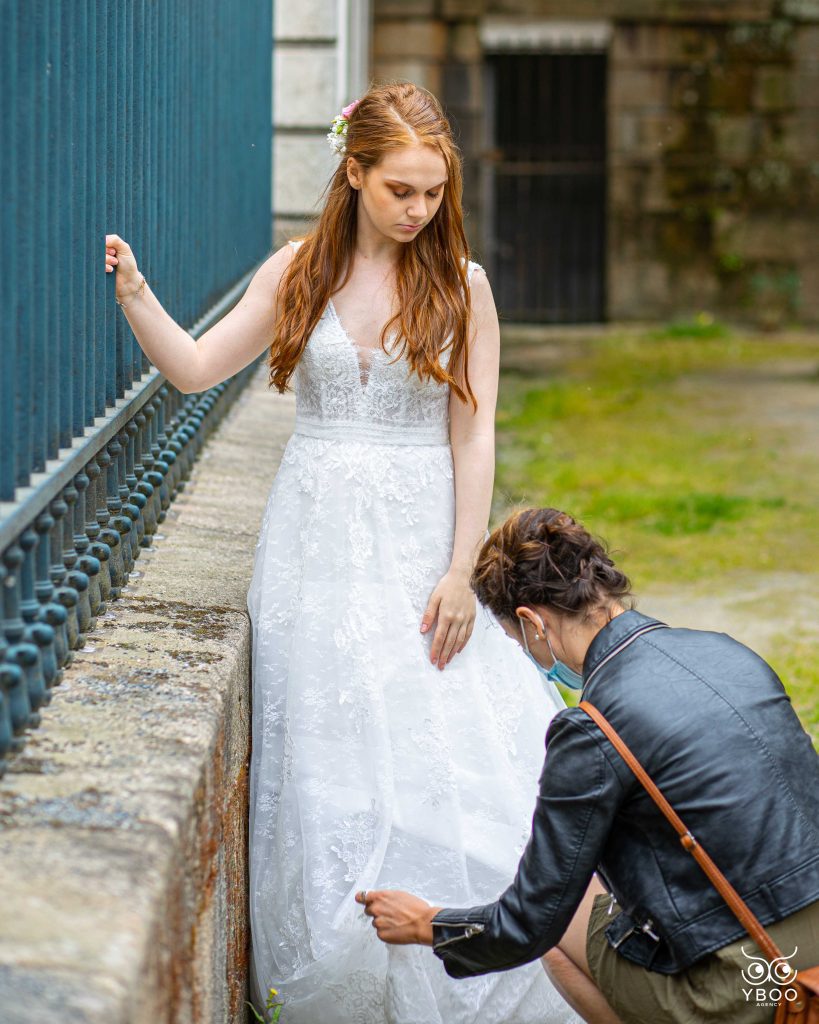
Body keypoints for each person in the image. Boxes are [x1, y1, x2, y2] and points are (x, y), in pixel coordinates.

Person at [104, 83, 594, 1023]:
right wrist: (137, 295)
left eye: (433, 193)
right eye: (400, 190)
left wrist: (460, 569)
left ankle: (485, 937)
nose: (419, 211)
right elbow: (200, 368)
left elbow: (473, 436)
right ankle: (346, 956)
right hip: (313, 541)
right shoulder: (299, 271)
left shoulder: (463, 285)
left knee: (438, 721)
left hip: (418, 536)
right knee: (326, 740)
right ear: (355, 172)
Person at [358, 506, 819, 1024]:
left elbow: (530, 923)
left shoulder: (592, 728)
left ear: (532, 622)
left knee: (562, 928)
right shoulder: (729, 654)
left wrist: (426, 923)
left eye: (518, 642)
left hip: (762, 984)